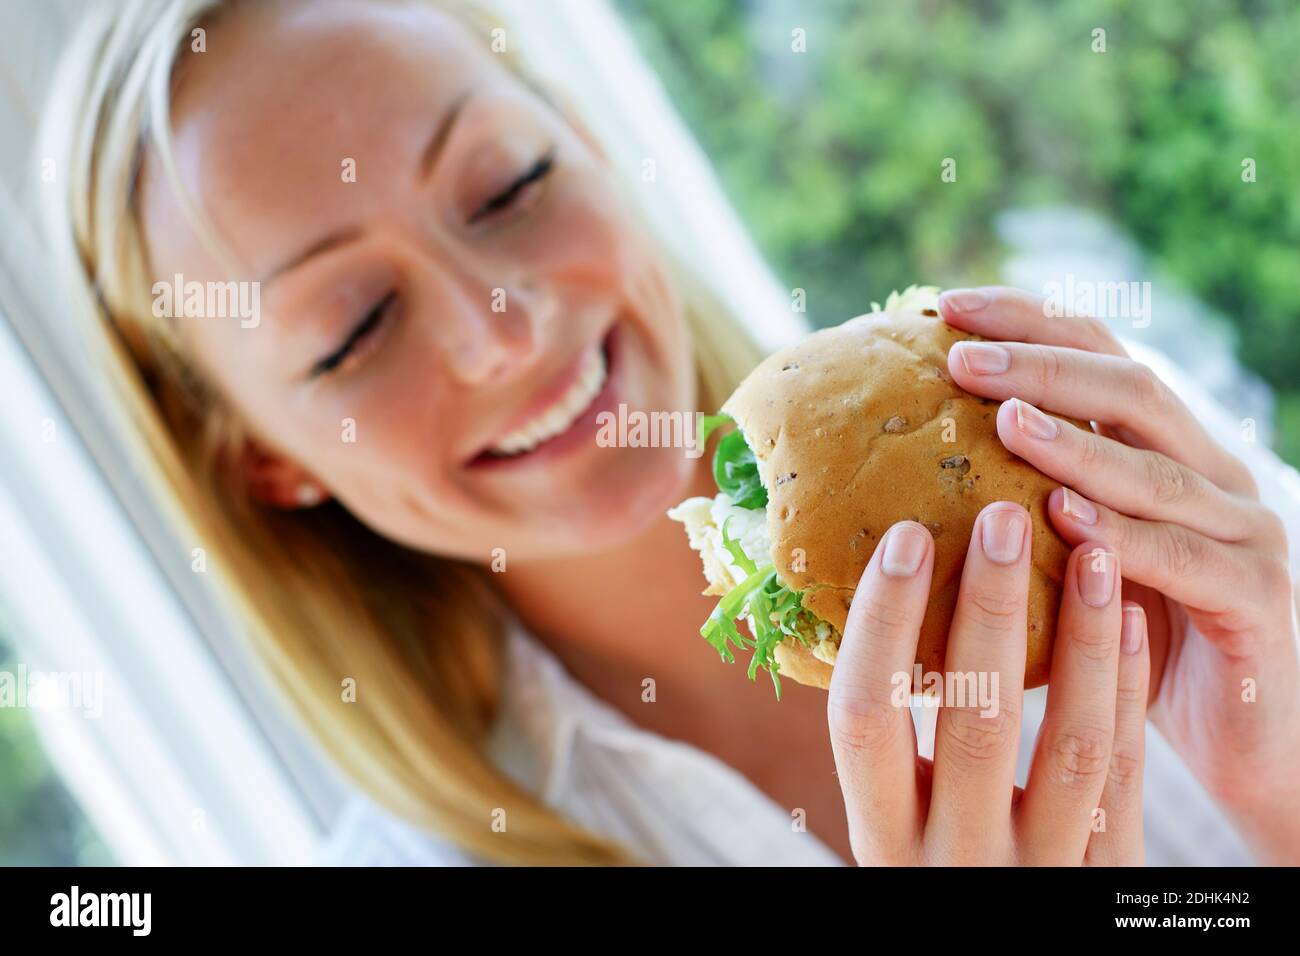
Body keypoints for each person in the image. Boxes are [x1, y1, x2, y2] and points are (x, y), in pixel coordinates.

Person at [40, 0, 1300, 865]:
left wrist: (1277, 787)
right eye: (355, 325)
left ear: (586, 144)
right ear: (265, 459)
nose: (504, 329)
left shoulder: (1075, 461)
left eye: (507, 185)